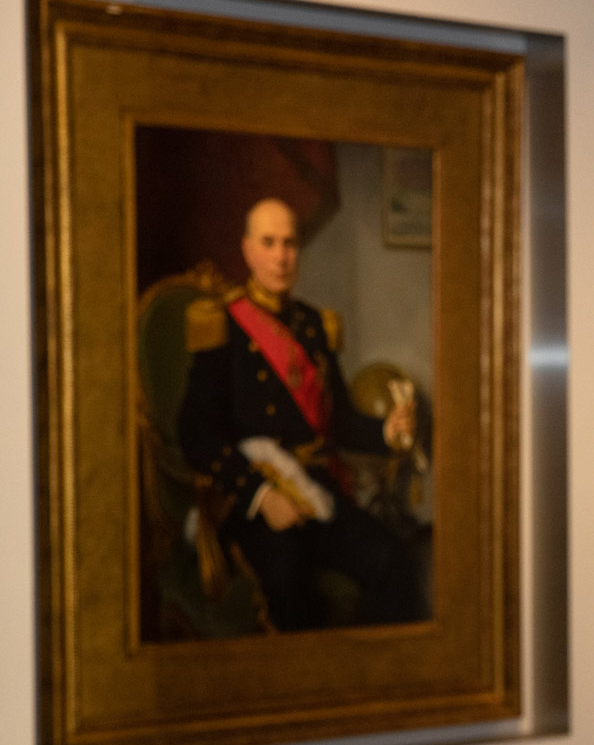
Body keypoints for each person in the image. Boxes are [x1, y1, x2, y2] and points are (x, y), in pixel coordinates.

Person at [178, 197, 422, 632]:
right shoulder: (221, 326)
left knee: (391, 559)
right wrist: (261, 496)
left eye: (289, 244)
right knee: (291, 583)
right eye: (268, 243)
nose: (280, 256)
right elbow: (196, 433)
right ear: (248, 250)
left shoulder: (313, 326)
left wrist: (386, 431)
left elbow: (341, 421)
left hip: (316, 490)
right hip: (254, 500)